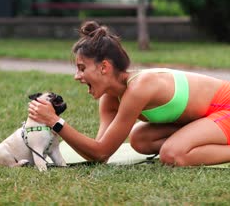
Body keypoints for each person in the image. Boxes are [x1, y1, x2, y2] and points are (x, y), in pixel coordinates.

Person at [28, 20, 230, 166]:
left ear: (104, 67)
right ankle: (191, 139)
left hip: (226, 108)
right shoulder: (109, 99)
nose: (76, 76)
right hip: (206, 116)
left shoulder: (139, 87)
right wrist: (53, 122)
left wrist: (55, 122)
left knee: (172, 155)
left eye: (82, 68)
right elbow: (100, 152)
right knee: (139, 140)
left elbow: (100, 152)